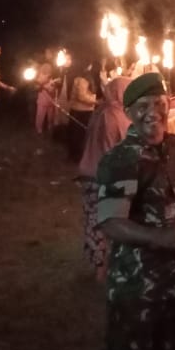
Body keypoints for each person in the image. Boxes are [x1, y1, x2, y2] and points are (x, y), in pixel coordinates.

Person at [94, 72, 175, 350]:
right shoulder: (121, 159)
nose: (152, 112)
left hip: (173, 284)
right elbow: (109, 221)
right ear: (129, 112)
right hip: (134, 287)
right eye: (142, 106)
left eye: (158, 103)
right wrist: (159, 238)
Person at [77, 76, 131, 281]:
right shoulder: (112, 115)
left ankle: (103, 266)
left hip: (92, 173)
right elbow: (115, 147)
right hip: (102, 176)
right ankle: (102, 268)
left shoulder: (103, 111)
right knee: (103, 221)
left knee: (98, 220)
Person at [68, 73, 99, 162]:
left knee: (83, 134)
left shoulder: (87, 81)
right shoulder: (81, 80)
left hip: (86, 111)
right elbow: (81, 97)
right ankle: (75, 156)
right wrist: (96, 102)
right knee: (77, 134)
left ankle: (80, 155)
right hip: (80, 111)